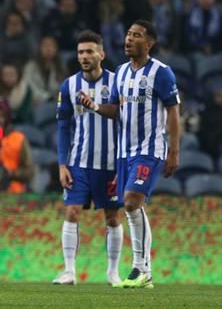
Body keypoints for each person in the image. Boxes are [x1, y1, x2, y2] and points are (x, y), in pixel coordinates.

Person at [79, 20, 180, 288]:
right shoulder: (121, 73)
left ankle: (140, 267)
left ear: (149, 44)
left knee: (131, 201)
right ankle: (144, 271)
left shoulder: (161, 72)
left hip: (150, 149)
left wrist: (174, 151)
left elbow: (173, 112)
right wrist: (95, 106)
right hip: (125, 152)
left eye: (136, 36)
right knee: (131, 206)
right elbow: (116, 110)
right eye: (128, 34)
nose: (128, 39)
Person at [52, 30, 123, 286]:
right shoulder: (69, 86)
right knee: (71, 211)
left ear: (101, 54)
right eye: (81, 52)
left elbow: (124, 122)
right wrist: (62, 164)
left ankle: (113, 273)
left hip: (111, 164)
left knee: (113, 217)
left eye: (90, 51)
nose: (84, 56)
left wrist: (122, 166)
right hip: (79, 163)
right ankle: (69, 271)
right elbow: (63, 127)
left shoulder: (117, 83)